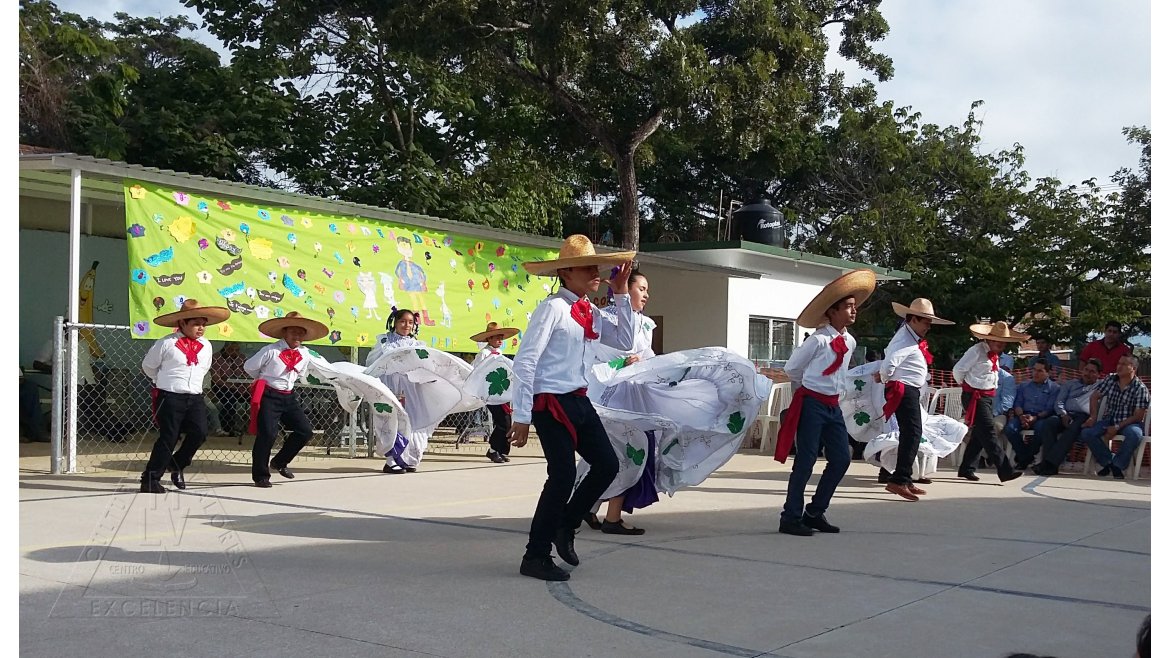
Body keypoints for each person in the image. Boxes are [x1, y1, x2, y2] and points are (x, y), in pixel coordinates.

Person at [508, 234, 636, 581]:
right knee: (562, 475)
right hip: (551, 402)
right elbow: (525, 361)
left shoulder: (588, 310)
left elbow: (625, 342)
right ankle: (535, 555)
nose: (596, 272)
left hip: (579, 399)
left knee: (607, 465)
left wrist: (622, 294)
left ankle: (566, 524)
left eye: (597, 267)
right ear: (566, 273)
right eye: (587, 267)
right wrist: (521, 414)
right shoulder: (551, 308)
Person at [775, 269, 876, 533]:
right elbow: (792, 368)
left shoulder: (849, 341)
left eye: (855, 307)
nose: (854, 311)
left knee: (841, 458)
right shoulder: (819, 340)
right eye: (848, 307)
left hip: (833, 406)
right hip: (812, 404)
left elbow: (842, 375)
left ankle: (815, 511)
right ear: (832, 311)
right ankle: (790, 517)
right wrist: (805, 392)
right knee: (806, 460)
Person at [581, 269, 656, 534]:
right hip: (611, 396)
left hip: (634, 395)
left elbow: (650, 356)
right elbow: (594, 358)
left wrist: (644, 363)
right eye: (641, 288)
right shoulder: (606, 319)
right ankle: (611, 518)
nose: (646, 294)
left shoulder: (645, 325)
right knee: (625, 449)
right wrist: (621, 363)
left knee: (623, 451)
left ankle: (588, 507)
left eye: (647, 290)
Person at [138, 299, 230, 494]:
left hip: (194, 396)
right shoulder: (167, 343)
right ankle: (151, 478)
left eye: (203, 324)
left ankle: (176, 463)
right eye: (196, 324)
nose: (201, 328)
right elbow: (148, 366)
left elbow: (204, 369)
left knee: (200, 432)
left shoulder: (206, 346)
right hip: (170, 396)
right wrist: (162, 381)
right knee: (169, 437)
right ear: (182, 323)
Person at [365, 308, 470, 474]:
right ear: (395, 322)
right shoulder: (385, 342)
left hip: (412, 388)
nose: (406, 325)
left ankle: (408, 459)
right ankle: (392, 460)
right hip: (390, 387)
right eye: (402, 321)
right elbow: (372, 362)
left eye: (410, 322)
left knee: (413, 421)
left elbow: (427, 364)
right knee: (393, 421)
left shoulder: (417, 345)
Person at [876, 297, 954, 499]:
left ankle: (904, 478)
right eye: (926, 321)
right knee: (912, 433)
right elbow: (888, 365)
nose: (929, 326)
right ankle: (899, 479)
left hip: (908, 390)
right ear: (914, 319)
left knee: (911, 433)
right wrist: (886, 377)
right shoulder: (904, 340)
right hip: (904, 390)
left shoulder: (910, 338)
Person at [244, 312, 332, 488]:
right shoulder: (271, 350)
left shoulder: (305, 353)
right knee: (267, 434)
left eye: (301, 333)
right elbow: (249, 367)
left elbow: (308, 371)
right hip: (269, 395)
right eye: (293, 332)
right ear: (285, 333)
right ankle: (260, 476)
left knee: (305, 430)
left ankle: (280, 461)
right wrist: (264, 379)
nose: (297, 336)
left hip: (289, 396)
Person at [953, 321, 1028, 483]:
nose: (999, 343)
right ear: (988, 339)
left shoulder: (994, 355)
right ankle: (1005, 470)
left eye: (1002, 341)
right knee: (988, 431)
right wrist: (967, 387)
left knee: (980, 435)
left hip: (987, 397)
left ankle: (967, 468)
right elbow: (958, 370)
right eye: (995, 340)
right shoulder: (976, 351)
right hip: (975, 396)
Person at [1081, 354, 1149, 479]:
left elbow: (1138, 416)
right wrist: (1093, 417)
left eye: (1123, 364)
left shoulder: (1140, 388)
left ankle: (1118, 465)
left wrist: (1117, 427)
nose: (1119, 366)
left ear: (1133, 368)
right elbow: (1094, 397)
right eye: (1119, 363)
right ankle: (1108, 461)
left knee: (1135, 434)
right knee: (1087, 433)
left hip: (1129, 422)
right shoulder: (1111, 379)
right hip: (1109, 419)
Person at [1030, 358, 1102, 476]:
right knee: (1049, 423)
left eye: (1092, 371)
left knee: (1073, 428)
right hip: (1066, 414)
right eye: (1086, 370)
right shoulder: (1070, 384)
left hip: (1084, 417)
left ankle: (1048, 464)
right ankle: (1050, 464)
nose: (1087, 373)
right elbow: (1059, 402)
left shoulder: (1100, 385)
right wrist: (1063, 414)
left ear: (1098, 374)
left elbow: (1115, 377)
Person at [469, 322, 520, 464]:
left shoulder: (500, 354)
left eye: (501, 337)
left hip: (501, 391)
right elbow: (477, 371)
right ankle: (493, 449)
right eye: (496, 337)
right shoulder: (484, 353)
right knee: (502, 421)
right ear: (489, 339)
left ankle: (501, 450)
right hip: (491, 393)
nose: (499, 340)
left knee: (506, 421)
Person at [1004, 361, 1061, 470]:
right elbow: (1018, 403)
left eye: (1040, 371)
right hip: (1023, 415)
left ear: (1048, 373)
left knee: (1041, 428)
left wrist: (1035, 418)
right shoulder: (1023, 386)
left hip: (1041, 417)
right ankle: (1026, 457)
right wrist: (1021, 416)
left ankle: (1024, 458)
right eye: (1034, 370)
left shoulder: (1054, 388)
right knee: (1010, 429)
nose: (1036, 373)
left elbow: (1049, 409)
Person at [209, 342, 249, 436]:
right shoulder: (216, 358)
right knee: (230, 399)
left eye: (237, 350)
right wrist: (231, 386)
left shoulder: (241, 358)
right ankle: (228, 428)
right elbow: (216, 378)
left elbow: (247, 374)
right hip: (222, 387)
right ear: (225, 349)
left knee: (259, 397)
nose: (234, 353)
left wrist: (247, 384)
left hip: (241, 387)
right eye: (231, 350)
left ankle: (252, 426)